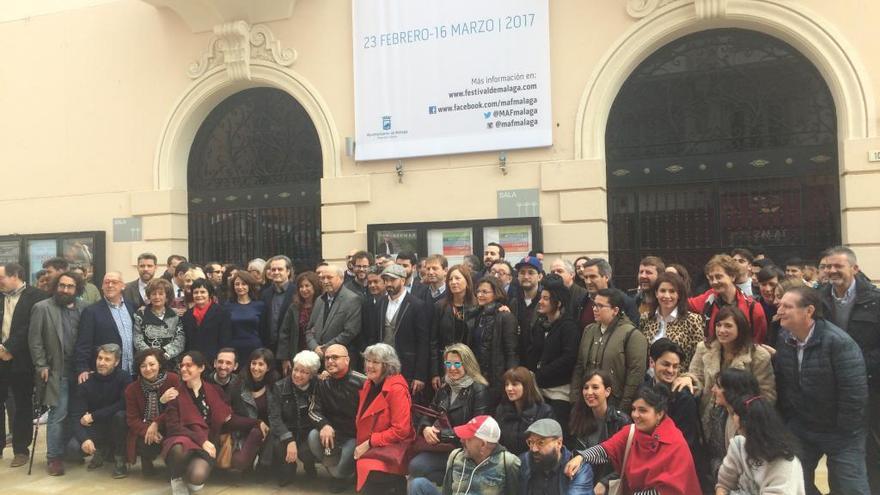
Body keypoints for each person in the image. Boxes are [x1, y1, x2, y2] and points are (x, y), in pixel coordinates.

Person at [774, 285, 870, 494]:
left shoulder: (839, 343)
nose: (779, 310)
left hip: (841, 431)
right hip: (802, 426)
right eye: (780, 304)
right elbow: (784, 382)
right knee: (791, 480)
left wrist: (844, 428)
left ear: (808, 311)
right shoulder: (783, 338)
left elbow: (854, 393)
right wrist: (791, 418)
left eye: (787, 306)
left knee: (850, 486)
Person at [674, 306, 775, 475]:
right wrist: (688, 378)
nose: (722, 330)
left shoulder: (758, 356)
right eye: (718, 325)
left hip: (740, 422)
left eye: (728, 326)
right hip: (708, 418)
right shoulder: (704, 348)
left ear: (740, 328)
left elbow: (767, 395)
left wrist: (743, 413)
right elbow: (696, 375)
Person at [817, 245, 880, 491]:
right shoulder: (818, 298)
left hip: (870, 386)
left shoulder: (874, 301)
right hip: (832, 390)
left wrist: (856, 365)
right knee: (840, 450)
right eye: (828, 266)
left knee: (871, 447)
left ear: (854, 268)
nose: (832, 271)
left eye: (838, 266)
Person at [565, 384, 701, 495]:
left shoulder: (676, 444)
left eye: (643, 410)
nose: (635, 415)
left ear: (659, 414)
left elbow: (664, 492)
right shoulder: (632, 431)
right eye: (634, 409)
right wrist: (582, 457)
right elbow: (607, 449)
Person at [160, 350, 260, 495]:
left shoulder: (214, 390)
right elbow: (174, 428)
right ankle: (176, 478)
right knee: (178, 447)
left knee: (197, 476)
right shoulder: (175, 393)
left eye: (189, 365)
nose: (183, 369)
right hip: (183, 440)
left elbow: (227, 419)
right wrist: (201, 440)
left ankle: (187, 476)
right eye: (182, 365)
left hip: (207, 443)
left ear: (201, 368)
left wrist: (255, 422)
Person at [28, 271, 86, 475]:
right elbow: (35, 341)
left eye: (70, 286)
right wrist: (41, 365)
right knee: (58, 414)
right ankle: (54, 457)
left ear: (76, 288)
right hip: (55, 370)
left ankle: (71, 450)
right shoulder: (42, 308)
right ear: (55, 286)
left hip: (79, 370)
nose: (65, 290)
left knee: (75, 413)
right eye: (62, 285)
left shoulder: (83, 308)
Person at [409, 343, 492, 484]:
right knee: (414, 469)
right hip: (443, 446)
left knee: (417, 468)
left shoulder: (479, 390)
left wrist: (441, 435)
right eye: (448, 363)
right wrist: (425, 429)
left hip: (464, 449)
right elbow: (429, 413)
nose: (452, 368)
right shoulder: (445, 387)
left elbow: (477, 429)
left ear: (467, 364)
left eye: (457, 364)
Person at [571, 288, 647, 414]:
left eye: (600, 306)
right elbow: (580, 366)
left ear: (615, 310)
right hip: (587, 402)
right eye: (594, 305)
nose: (594, 309)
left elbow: (635, 375)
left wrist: (623, 408)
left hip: (614, 405)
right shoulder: (589, 330)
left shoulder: (632, 335)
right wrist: (575, 399)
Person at [352, 343, 414, 495]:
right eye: (368, 360)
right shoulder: (370, 382)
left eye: (375, 362)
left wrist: (370, 442)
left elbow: (401, 430)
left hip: (391, 449)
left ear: (387, 365)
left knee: (370, 476)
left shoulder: (397, 388)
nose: (369, 365)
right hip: (372, 446)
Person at [715, 395, 805, 495]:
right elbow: (723, 485)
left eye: (734, 415)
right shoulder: (738, 446)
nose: (732, 419)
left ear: (746, 424)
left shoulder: (785, 464)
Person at [409, 415, 520, 495]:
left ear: (482, 445)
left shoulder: (508, 463)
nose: (461, 440)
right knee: (418, 484)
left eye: (467, 438)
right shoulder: (456, 456)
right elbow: (447, 491)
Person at [306, 343, 365, 492]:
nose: (330, 361)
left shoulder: (363, 382)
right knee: (313, 435)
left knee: (338, 471)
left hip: (354, 437)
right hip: (331, 435)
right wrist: (324, 425)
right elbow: (313, 410)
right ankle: (338, 475)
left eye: (335, 357)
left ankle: (343, 474)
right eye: (327, 358)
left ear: (347, 360)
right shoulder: (322, 382)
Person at [527, 273, 581, 436]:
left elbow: (569, 358)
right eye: (540, 297)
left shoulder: (569, 326)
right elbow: (534, 352)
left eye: (545, 298)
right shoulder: (540, 324)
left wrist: (542, 371)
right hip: (539, 388)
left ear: (557, 303)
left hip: (560, 391)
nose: (540, 302)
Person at [366, 264, 430, 393]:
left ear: (403, 280)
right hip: (382, 366)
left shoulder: (417, 305)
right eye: (386, 280)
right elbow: (373, 336)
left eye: (392, 280)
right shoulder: (380, 303)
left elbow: (423, 342)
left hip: (407, 366)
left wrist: (419, 375)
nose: (388, 283)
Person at [69, 343, 131, 478]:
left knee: (121, 416)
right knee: (72, 448)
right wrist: (85, 439)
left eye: (107, 359)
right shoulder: (86, 381)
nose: (102, 363)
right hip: (97, 428)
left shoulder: (124, 378)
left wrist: (94, 416)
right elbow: (75, 415)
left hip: (117, 427)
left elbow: (124, 404)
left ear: (116, 362)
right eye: (100, 358)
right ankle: (101, 451)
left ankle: (120, 461)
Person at [567, 369, 631, 493]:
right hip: (584, 480)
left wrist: (605, 482)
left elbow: (628, 462)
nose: (589, 392)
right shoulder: (578, 417)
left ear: (607, 391)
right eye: (586, 388)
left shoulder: (621, 421)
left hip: (612, 485)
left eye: (595, 387)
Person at [123, 348, 180, 477]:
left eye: (152, 364)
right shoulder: (132, 389)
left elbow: (177, 410)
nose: (148, 369)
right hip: (147, 428)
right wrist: (149, 430)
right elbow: (132, 419)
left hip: (170, 426)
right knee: (144, 441)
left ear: (159, 364)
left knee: (175, 459)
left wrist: (157, 422)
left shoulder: (173, 380)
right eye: (143, 366)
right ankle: (146, 460)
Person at [689, 254, 767, 344]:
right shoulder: (708, 299)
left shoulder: (753, 308)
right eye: (711, 278)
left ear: (732, 276)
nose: (714, 282)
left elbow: (758, 342)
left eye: (718, 277)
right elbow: (683, 305)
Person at [269, 349, 320, 485]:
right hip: (287, 431)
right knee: (279, 447)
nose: (297, 375)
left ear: (312, 374)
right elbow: (274, 417)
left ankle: (309, 464)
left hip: (307, 433)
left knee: (307, 451)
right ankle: (289, 467)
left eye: (304, 372)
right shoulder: (280, 387)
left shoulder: (318, 386)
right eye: (296, 370)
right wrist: (288, 439)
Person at [74, 271, 136, 379]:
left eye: (114, 282)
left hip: (132, 372)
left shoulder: (132, 307)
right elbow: (84, 343)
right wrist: (83, 368)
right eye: (106, 282)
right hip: (107, 373)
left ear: (123, 286)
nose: (110, 285)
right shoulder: (91, 311)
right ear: (102, 286)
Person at [638, 271, 704, 369]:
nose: (667, 296)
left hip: (679, 380)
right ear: (656, 293)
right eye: (663, 291)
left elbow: (699, 358)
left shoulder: (692, 320)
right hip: (650, 380)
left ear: (679, 295)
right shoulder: (646, 318)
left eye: (672, 291)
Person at [430, 264, 478, 388]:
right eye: (450, 279)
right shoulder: (440, 306)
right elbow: (433, 341)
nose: (453, 282)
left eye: (457, 278)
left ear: (467, 282)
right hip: (446, 365)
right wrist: (434, 372)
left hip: (470, 365)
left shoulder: (477, 306)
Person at [228, 348, 276, 472]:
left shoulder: (275, 384)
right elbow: (230, 416)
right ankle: (250, 460)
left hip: (271, 433)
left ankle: (264, 464)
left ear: (268, 367)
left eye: (261, 364)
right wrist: (256, 424)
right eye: (253, 363)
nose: (256, 368)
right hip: (245, 431)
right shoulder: (238, 384)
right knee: (239, 462)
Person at [519, 418, 594, 495]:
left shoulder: (578, 469)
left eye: (541, 443)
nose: (534, 449)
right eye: (531, 442)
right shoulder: (524, 462)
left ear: (559, 443)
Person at [472, 276, 518, 399]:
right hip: (479, 373)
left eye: (485, 292)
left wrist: (510, 379)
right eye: (478, 291)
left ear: (496, 293)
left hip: (497, 375)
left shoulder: (505, 316)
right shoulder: (478, 314)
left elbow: (511, 351)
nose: (480, 295)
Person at [305, 264, 362, 359]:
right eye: (323, 278)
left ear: (341, 278)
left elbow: (350, 331)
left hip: (339, 357)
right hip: (317, 356)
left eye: (329, 277)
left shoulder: (352, 299)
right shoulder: (319, 300)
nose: (325, 281)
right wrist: (314, 347)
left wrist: (326, 348)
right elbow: (309, 329)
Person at [496, 366, 554, 456]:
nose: (509, 388)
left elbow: (546, 446)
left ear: (527, 386)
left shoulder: (544, 411)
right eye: (507, 384)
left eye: (514, 384)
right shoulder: (501, 409)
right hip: (507, 461)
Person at [133, 278, 185, 368]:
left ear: (167, 297)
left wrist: (165, 355)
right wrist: (152, 357)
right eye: (153, 294)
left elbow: (180, 339)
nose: (157, 297)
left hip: (170, 363)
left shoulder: (175, 315)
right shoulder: (140, 315)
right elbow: (137, 339)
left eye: (161, 294)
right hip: (147, 363)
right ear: (149, 296)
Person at [278, 270, 321, 375]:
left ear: (315, 286)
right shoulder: (294, 307)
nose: (304, 289)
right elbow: (284, 333)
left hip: (318, 352)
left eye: (307, 286)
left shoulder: (322, 305)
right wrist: (284, 358)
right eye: (301, 287)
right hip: (297, 351)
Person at [182, 279, 232, 363]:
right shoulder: (187, 315)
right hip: (192, 361)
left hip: (214, 360)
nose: (199, 295)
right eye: (196, 292)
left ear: (210, 294)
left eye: (202, 292)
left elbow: (225, 340)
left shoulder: (222, 313)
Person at [224, 271, 266, 365]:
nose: (240, 287)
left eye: (244, 284)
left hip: (255, 347)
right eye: (237, 284)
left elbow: (264, 330)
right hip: (234, 349)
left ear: (249, 286)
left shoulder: (260, 305)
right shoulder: (227, 306)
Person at [260, 255, 296, 355]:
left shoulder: (296, 292)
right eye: (273, 269)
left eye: (280, 269)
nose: (276, 272)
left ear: (288, 272)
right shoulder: (265, 294)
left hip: (290, 349)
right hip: (269, 348)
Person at [512, 256, 544, 363]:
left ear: (539, 277)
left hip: (538, 362)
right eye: (522, 272)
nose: (526, 276)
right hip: (518, 362)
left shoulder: (545, 302)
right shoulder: (513, 302)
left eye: (531, 273)